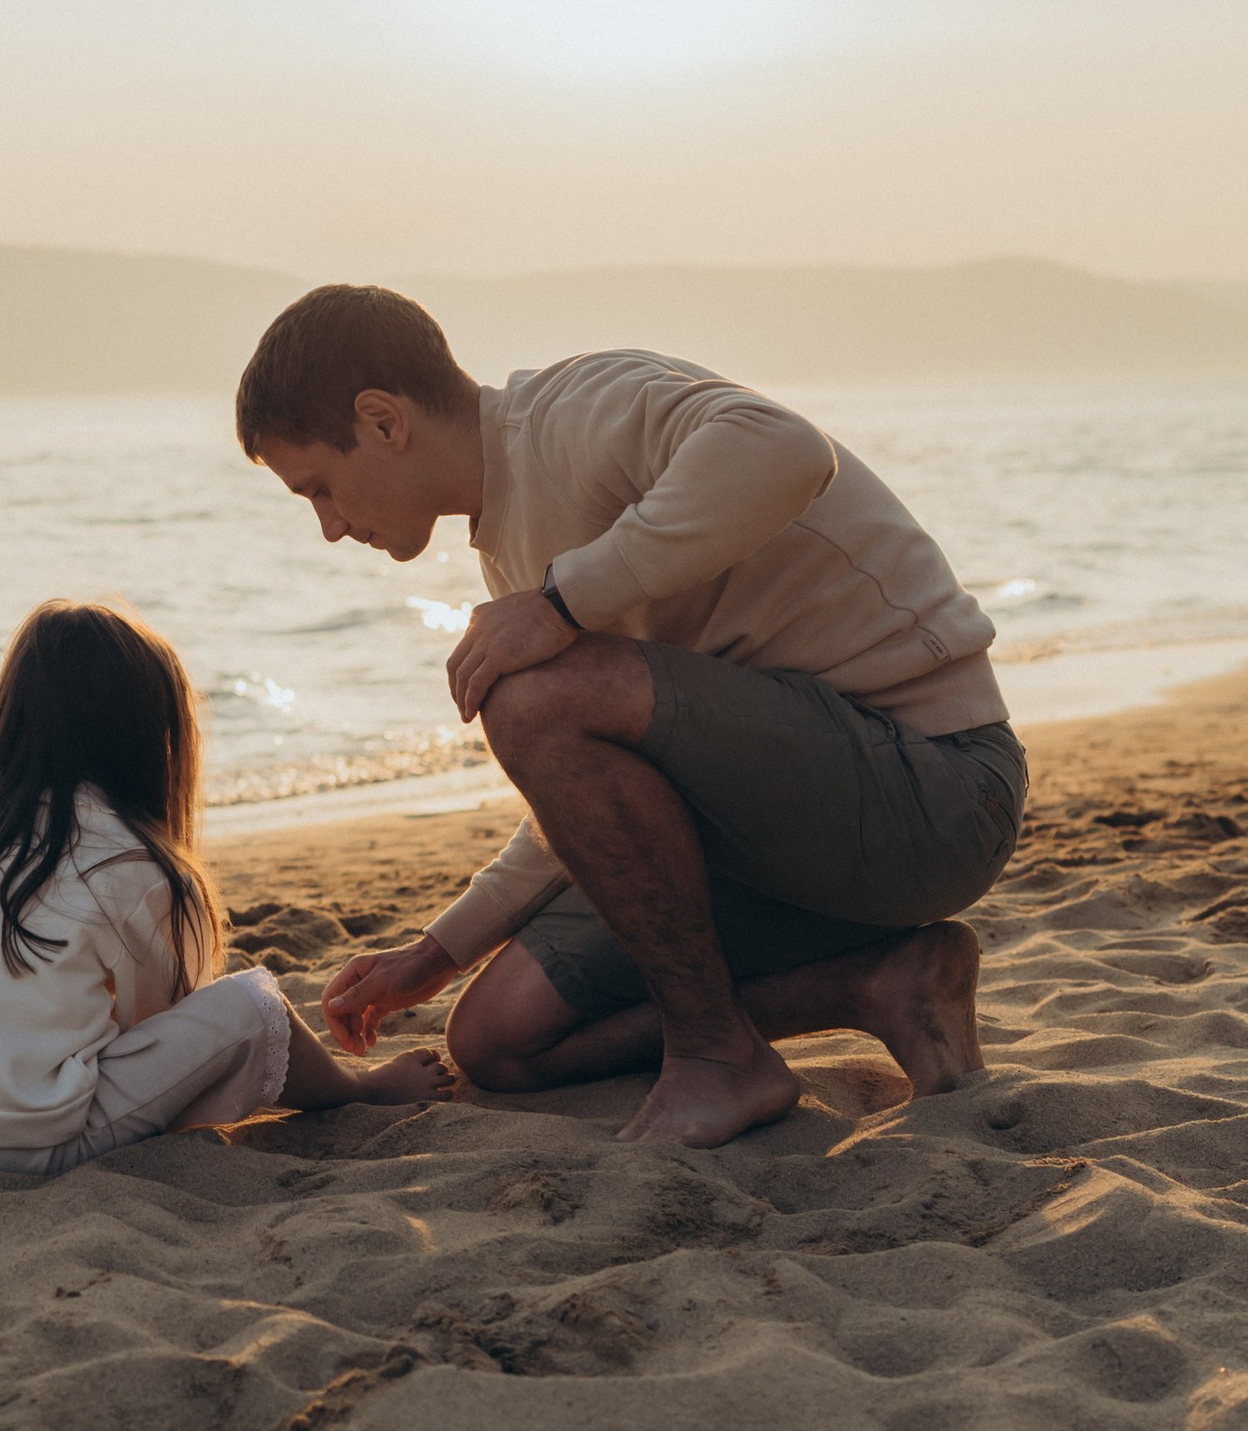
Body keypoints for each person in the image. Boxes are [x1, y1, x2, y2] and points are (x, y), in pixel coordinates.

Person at [234, 285, 1027, 1149]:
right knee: (498, 1037)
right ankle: (880, 981)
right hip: (788, 838)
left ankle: (719, 1057)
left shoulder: (573, 411)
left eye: (320, 488)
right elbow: (594, 793)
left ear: (383, 421)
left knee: (534, 696)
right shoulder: (510, 540)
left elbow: (785, 448)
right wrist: (439, 951)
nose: (329, 528)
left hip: (935, 788)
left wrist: (561, 603)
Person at [0, 598, 448, 1173]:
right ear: (150, 738)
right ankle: (358, 1090)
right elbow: (163, 1016)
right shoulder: (128, 863)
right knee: (252, 1007)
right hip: (30, 1144)